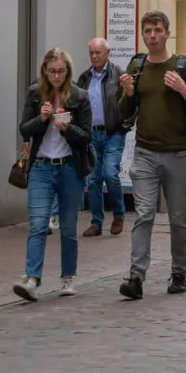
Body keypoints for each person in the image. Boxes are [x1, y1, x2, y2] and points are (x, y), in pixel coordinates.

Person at [117, 11, 186, 300]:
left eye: (157, 30)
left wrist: (183, 90)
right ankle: (136, 277)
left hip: (176, 153)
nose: (152, 35)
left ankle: (179, 272)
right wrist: (127, 93)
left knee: (177, 218)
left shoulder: (183, 66)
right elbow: (124, 113)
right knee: (143, 214)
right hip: (144, 152)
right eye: (147, 30)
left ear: (167, 33)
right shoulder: (137, 66)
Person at [13, 48, 93, 302]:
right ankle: (32, 279)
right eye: (52, 72)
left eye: (61, 71)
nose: (56, 76)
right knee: (38, 224)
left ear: (68, 71)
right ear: (44, 72)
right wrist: (43, 119)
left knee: (68, 227)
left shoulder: (79, 96)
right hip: (41, 167)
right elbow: (24, 129)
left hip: (70, 167)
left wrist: (67, 128)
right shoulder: (35, 93)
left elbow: (86, 136)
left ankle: (67, 277)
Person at [78, 38, 128, 236]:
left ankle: (118, 215)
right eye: (91, 52)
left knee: (110, 173)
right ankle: (96, 222)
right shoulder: (84, 78)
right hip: (91, 134)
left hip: (112, 133)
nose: (94, 56)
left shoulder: (119, 75)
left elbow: (131, 101)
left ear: (108, 53)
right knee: (93, 179)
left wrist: (124, 125)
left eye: (98, 52)